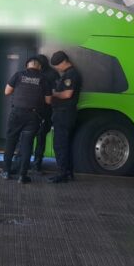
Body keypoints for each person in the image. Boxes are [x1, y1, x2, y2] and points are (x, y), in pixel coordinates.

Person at [1, 57, 52, 184]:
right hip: (33, 116)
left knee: (11, 142)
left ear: (26, 66)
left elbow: (7, 91)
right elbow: (48, 101)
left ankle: (6, 172)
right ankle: (22, 176)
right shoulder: (44, 79)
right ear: (40, 67)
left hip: (16, 114)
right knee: (27, 145)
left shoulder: (18, 75)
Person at [48, 51, 82, 184]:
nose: (57, 69)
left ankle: (62, 173)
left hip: (64, 113)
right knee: (65, 143)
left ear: (64, 62)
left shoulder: (71, 75)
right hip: (64, 113)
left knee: (60, 144)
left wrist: (53, 94)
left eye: (57, 66)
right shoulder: (69, 74)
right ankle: (67, 172)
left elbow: (68, 94)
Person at [31, 54, 58, 174]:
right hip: (46, 112)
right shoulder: (53, 74)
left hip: (36, 111)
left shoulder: (34, 73)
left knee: (27, 137)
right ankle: (37, 164)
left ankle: (23, 164)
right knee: (41, 139)